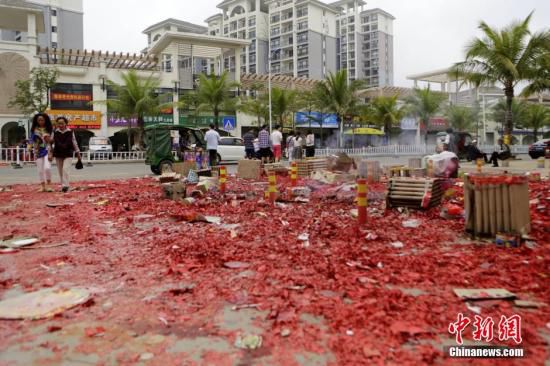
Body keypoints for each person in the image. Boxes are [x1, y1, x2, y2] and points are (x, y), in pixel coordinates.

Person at [51, 117, 81, 192]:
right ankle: (63, 186)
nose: (60, 125)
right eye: (59, 123)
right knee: (60, 171)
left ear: (66, 124)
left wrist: (78, 153)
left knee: (65, 169)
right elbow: (50, 143)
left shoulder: (70, 132)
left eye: (62, 123)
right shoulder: (54, 132)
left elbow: (74, 142)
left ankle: (66, 186)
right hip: (58, 153)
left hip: (68, 153)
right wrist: (50, 152)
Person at [30, 113, 53, 192]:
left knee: (47, 168)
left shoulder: (49, 129)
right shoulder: (34, 129)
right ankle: (43, 186)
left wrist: (49, 140)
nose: (41, 121)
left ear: (45, 120)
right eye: (39, 120)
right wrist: (29, 147)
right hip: (37, 151)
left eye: (42, 120)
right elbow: (31, 140)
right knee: (40, 170)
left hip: (48, 150)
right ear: (36, 121)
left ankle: (49, 185)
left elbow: (52, 141)